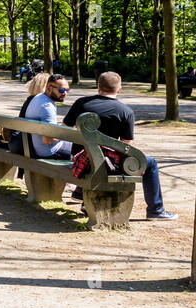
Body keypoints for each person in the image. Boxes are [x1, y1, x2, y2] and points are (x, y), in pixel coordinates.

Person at [63, 71, 177, 221]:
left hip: (81, 161)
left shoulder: (81, 103)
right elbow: (125, 146)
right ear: (119, 89)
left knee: (95, 154)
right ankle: (155, 210)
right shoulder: (125, 112)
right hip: (104, 163)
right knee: (150, 163)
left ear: (98, 87)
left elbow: (65, 129)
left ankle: (81, 195)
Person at [23, 74, 74, 160]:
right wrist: (65, 131)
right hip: (48, 152)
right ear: (49, 88)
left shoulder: (38, 97)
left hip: (35, 147)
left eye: (67, 90)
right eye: (61, 90)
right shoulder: (47, 106)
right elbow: (48, 140)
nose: (65, 93)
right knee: (83, 148)